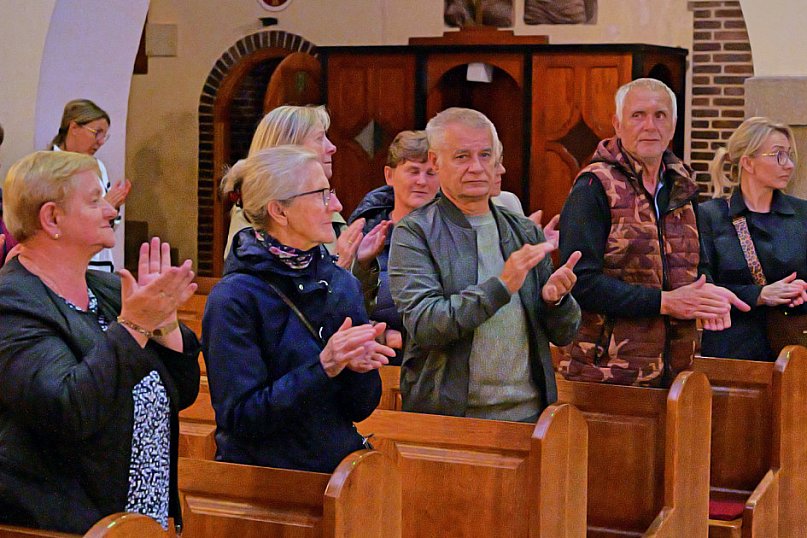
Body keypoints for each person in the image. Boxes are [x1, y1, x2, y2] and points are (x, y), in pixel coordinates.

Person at [0, 151, 200, 534]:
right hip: (65, 522)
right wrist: (135, 326)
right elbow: (67, 409)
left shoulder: (108, 288)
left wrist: (166, 325)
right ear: (51, 218)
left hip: (145, 513)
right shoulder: (12, 302)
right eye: (95, 200)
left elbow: (181, 393)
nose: (111, 210)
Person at [203, 145, 393, 473]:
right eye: (321, 195)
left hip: (337, 475)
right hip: (267, 486)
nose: (336, 205)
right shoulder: (233, 299)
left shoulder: (340, 283)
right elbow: (241, 420)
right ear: (279, 211)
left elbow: (358, 409)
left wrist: (358, 372)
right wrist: (323, 367)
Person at [388, 107, 581, 421]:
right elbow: (425, 325)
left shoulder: (523, 231)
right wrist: (500, 286)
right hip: (450, 418)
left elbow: (563, 334)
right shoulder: (415, 232)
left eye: (485, 155)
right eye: (462, 156)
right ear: (436, 162)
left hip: (529, 415)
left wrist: (556, 301)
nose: (476, 167)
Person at [558, 78, 749, 386]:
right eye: (638, 115)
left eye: (660, 115)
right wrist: (665, 301)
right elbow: (580, 281)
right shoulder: (593, 187)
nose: (650, 125)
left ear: (673, 125)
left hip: (678, 368)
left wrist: (706, 293)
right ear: (617, 124)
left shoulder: (683, 187)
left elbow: (696, 264)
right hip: (607, 371)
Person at [699, 116, 807, 360]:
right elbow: (701, 286)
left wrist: (800, 292)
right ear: (748, 162)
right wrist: (760, 294)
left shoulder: (803, 214)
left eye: (789, 155)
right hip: (733, 353)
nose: (788, 164)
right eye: (778, 155)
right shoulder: (710, 215)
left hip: (794, 352)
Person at [224, 105, 377, 270]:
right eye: (319, 139)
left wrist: (361, 263)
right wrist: (339, 268)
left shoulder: (321, 202)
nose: (332, 148)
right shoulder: (254, 217)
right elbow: (267, 288)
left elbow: (351, 291)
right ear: (290, 149)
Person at [347, 131, 437, 364]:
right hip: (378, 365)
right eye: (413, 171)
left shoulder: (455, 234)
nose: (422, 181)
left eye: (431, 173)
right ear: (389, 175)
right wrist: (383, 335)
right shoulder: (362, 232)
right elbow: (342, 305)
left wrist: (404, 339)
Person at [51, 99, 131, 272]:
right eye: (97, 133)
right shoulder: (49, 167)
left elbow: (111, 225)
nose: (101, 141)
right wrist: (104, 205)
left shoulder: (98, 167)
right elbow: (58, 220)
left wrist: (114, 208)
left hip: (100, 263)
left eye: (104, 136)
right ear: (73, 128)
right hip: (65, 264)